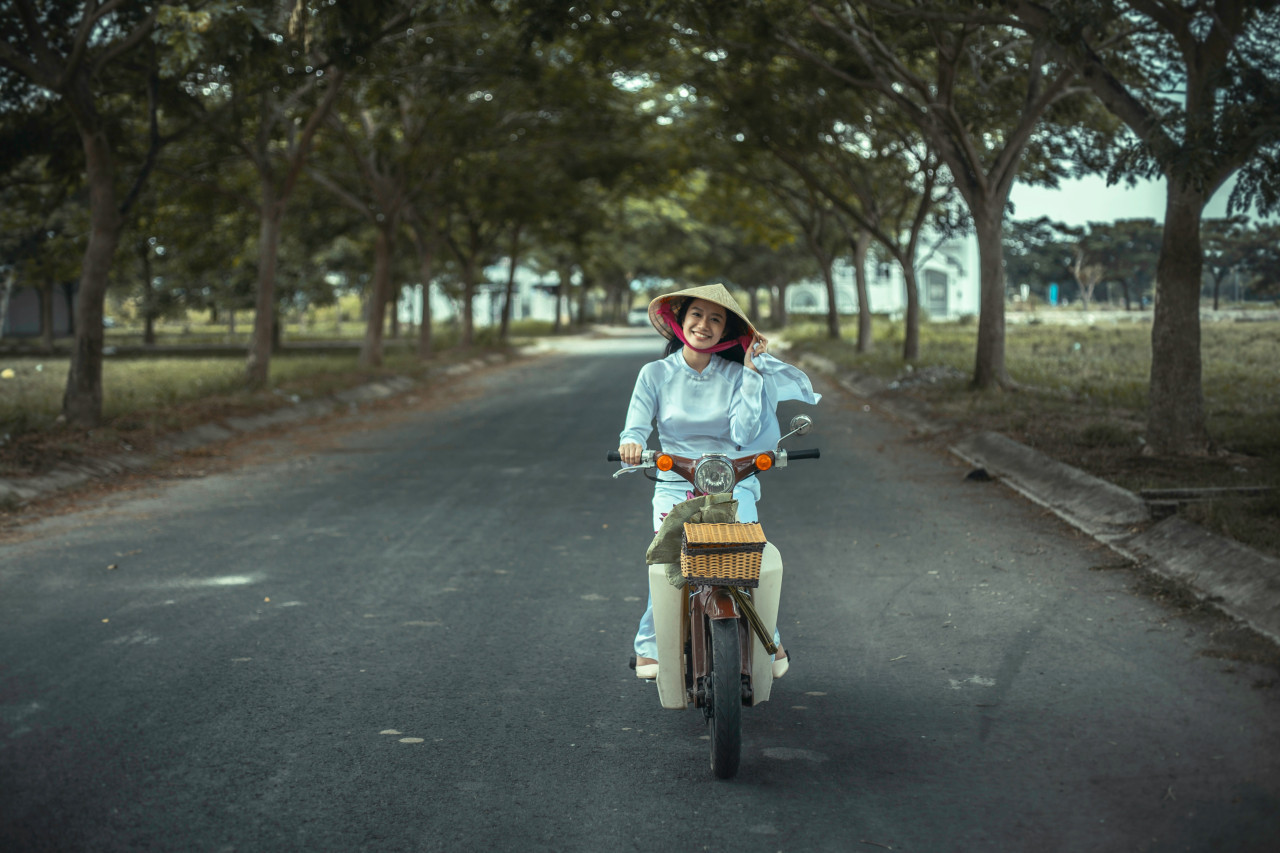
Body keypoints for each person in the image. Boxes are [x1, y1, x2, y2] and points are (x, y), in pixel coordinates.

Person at [617, 283, 821, 680]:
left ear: (726, 331)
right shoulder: (655, 374)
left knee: (748, 560)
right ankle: (649, 644)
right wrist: (630, 443)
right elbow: (636, 427)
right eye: (696, 315)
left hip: (731, 481)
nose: (704, 325)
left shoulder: (734, 374)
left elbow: (744, 434)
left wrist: (749, 373)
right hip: (674, 479)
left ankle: (769, 637)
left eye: (716, 319)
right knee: (672, 561)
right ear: (680, 320)